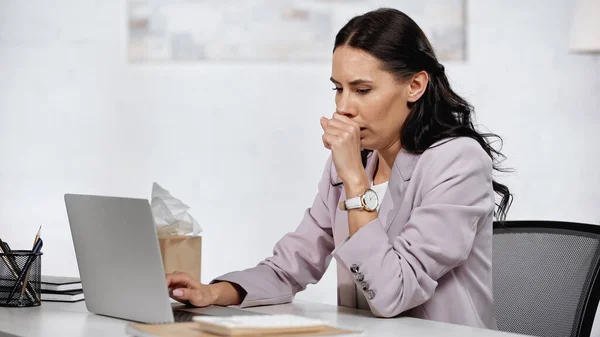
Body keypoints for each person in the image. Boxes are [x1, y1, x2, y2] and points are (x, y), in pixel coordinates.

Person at [165, 7, 512, 329]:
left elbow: (394, 292)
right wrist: (213, 293)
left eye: (362, 89)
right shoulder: (353, 162)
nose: (344, 107)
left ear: (415, 86)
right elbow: (291, 266)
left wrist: (355, 184)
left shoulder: (457, 161)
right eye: (338, 89)